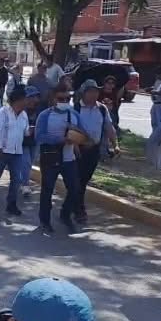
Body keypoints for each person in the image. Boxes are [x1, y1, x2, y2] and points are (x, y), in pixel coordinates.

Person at [36, 84, 85, 235]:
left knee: (75, 189)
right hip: (51, 158)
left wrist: (77, 138)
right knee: (47, 190)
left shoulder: (74, 115)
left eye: (67, 98)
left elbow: (82, 133)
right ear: (53, 99)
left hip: (69, 159)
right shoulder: (45, 116)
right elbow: (39, 136)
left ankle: (65, 214)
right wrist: (60, 139)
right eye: (61, 98)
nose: (64, 101)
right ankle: (45, 220)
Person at [74, 80, 120, 225]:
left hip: (94, 150)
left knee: (84, 180)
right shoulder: (75, 108)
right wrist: (77, 144)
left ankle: (72, 205)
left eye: (96, 91)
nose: (94, 94)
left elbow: (109, 128)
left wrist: (115, 145)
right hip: (77, 150)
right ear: (84, 93)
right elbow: (70, 129)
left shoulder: (102, 109)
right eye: (91, 91)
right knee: (77, 181)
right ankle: (78, 209)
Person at [0, 87, 30, 216]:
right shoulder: (2, 113)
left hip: (17, 152)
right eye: (25, 99)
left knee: (16, 179)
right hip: (2, 151)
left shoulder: (24, 115)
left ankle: (11, 204)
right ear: (19, 100)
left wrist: (31, 131)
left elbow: (25, 132)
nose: (27, 101)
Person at [21, 86, 43, 198]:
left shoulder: (40, 110)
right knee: (26, 162)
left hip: (35, 141)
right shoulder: (20, 110)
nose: (33, 99)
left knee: (30, 162)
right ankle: (25, 184)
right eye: (30, 97)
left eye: (35, 97)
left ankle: (22, 180)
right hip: (22, 141)